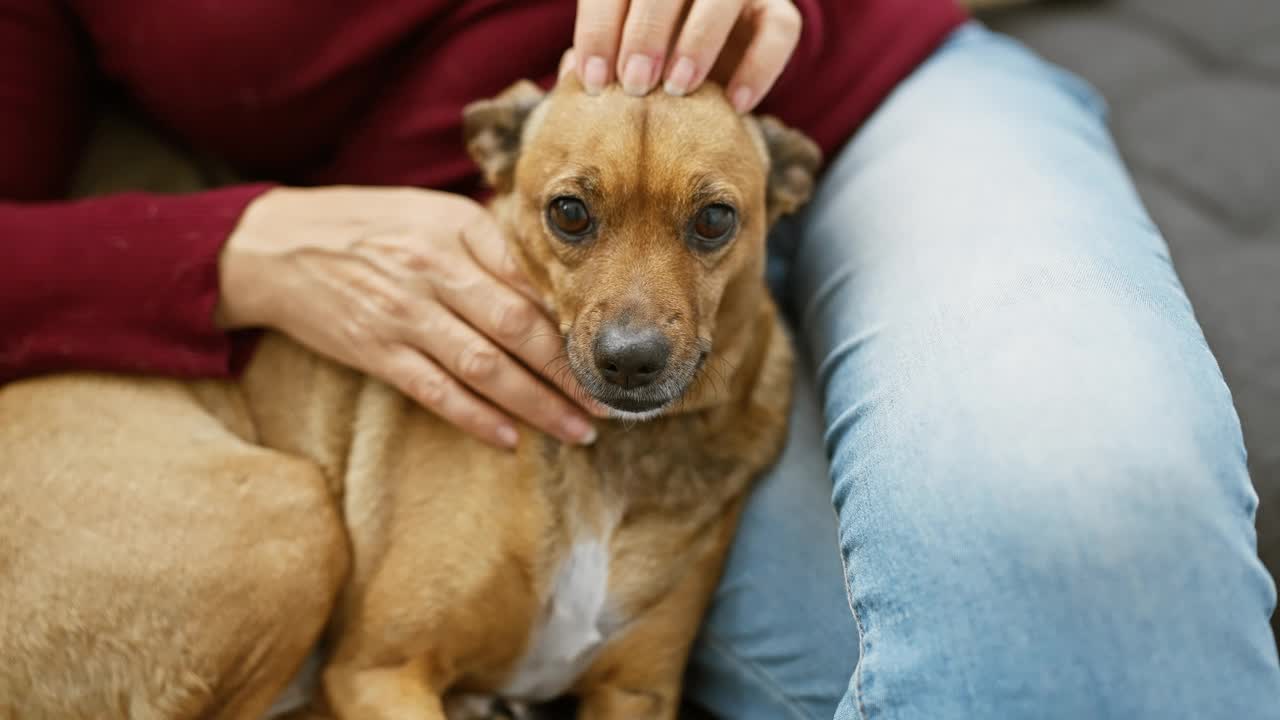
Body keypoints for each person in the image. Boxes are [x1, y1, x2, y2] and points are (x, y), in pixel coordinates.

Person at [2, 1, 1277, 717]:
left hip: (867, 106)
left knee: (1090, 517)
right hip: (466, 281)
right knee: (938, 669)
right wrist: (234, 247)